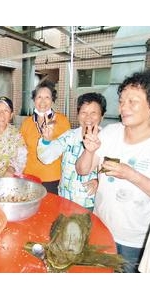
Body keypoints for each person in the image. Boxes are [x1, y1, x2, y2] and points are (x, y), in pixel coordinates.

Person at [75, 69, 150, 272]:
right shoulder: (110, 133)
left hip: (136, 241)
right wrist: (89, 151)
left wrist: (130, 174)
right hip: (101, 228)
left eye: (132, 101)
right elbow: (82, 170)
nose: (124, 107)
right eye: (122, 101)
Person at [37, 92, 107, 210]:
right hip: (65, 200)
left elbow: (112, 173)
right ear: (78, 115)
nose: (88, 118)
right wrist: (46, 140)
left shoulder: (107, 139)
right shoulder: (69, 136)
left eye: (93, 113)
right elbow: (46, 158)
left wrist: (100, 182)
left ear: (102, 116)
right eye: (83, 112)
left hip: (90, 204)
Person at [20, 80, 71, 194]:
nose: (43, 101)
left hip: (53, 177)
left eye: (47, 97)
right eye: (39, 97)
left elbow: (67, 153)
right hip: (29, 177)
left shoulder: (62, 121)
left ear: (52, 100)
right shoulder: (26, 123)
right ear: (34, 100)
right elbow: (22, 151)